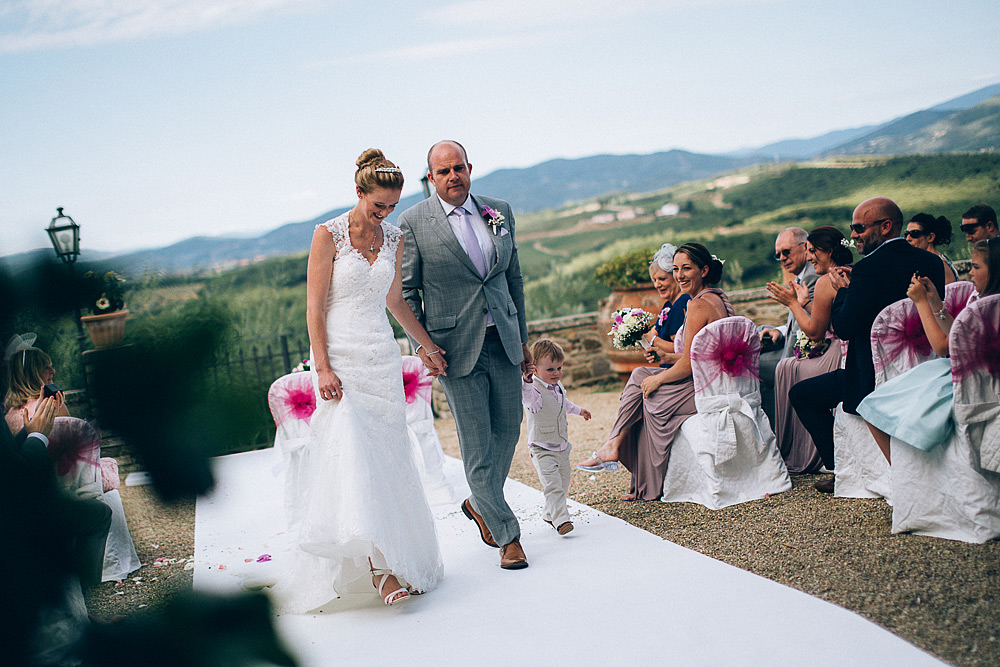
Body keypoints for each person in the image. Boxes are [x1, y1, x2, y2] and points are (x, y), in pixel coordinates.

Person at [275, 149, 445, 611]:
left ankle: (397, 552)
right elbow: (313, 308)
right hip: (341, 360)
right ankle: (379, 569)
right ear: (359, 192)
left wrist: (425, 345)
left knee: (386, 457)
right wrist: (323, 367)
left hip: (380, 358)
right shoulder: (327, 235)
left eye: (392, 206)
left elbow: (395, 302)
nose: (386, 214)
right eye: (378, 206)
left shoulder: (394, 238)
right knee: (352, 455)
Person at [399, 140, 533, 571]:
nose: (453, 176)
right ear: (431, 178)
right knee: (477, 444)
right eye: (443, 172)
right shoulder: (413, 222)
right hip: (453, 350)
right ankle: (508, 537)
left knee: (509, 429)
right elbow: (404, 292)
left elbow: (513, 278)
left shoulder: (499, 211)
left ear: (470, 168)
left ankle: (478, 503)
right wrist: (423, 345)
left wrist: (524, 338)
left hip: (505, 340)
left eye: (459, 168)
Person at [789, 197, 945, 493]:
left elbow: (846, 328)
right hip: (925, 366)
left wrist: (843, 292)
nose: (854, 235)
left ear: (886, 227)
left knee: (806, 392)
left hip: (873, 376)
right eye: (852, 228)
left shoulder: (868, 269)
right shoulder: (931, 262)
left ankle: (847, 471)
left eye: (859, 227)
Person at [578, 243, 734, 501]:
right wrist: (666, 357)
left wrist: (659, 378)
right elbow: (695, 354)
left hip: (704, 386)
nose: (679, 275)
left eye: (686, 269)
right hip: (713, 377)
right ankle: (613, 446)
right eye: (675, 270)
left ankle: (641, 481)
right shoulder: (718, 298)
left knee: (642, 394)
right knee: (640, 373)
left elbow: (689, 364)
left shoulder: (696, 305)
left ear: (704, 270)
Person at [857, 237, 999, 461]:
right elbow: (960, 336)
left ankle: (902, 472)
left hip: (970, 382)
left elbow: (944, 347)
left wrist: (921, 302)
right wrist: (936, 303)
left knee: (872, 406)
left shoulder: (988, 307)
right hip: (973, 375)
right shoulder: (986, 300)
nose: (970, 273)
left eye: (976, 266)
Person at [765, 227, 853, 473]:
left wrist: (793, 303)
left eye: (813, 251)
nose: (810, 256)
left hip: (843, 360)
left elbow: (815, 332)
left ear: (830, 252)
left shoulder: (825, 280)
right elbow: (833, 317)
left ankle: (835, 464)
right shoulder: (851, 274)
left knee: (800, 394)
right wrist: (804, 302)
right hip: (858, 358)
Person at [521, 339, 591, 536]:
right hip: (542, 448)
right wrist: (526, 381)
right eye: (550, 369)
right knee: (553, 485)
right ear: (535, 369)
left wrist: (580, 411)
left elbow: (564, 404)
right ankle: (561, 520)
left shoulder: (558, 386)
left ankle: (549, 513)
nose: (556, 373)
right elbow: (525, 397)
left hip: (561, 447)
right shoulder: (533, 391)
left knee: (563, 483)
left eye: (559, 368)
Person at [758, 228, 819, 427]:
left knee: (749, 368)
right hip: (791, 347)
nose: (782, 258)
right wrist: (780, 331)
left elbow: (809, 327)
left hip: (802, 357)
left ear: (805, 247)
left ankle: (778, 429)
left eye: (786, 252)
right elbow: (795, 322)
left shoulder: (811, 277)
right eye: (778, 255)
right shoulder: (802, 277)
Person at [639, 243, 690, 369]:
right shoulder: (668, 305)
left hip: (677, 372)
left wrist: (652, 339)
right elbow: (652, 333)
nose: (657, 285)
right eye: (655, 280)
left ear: (676, 277)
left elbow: (678, 348)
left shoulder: (681, 304)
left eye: (662, 279)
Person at [906, 213, 957, 283]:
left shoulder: (939, 265)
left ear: (930, 237)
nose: (908, 238)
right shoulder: (930, 262)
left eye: (914, 233)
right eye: (906, 233)